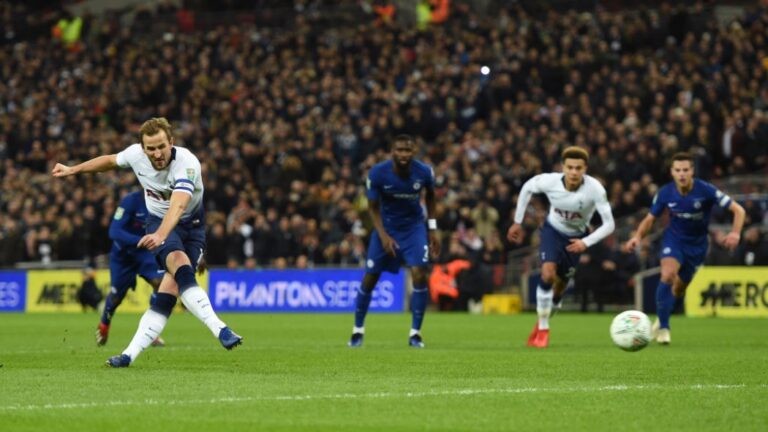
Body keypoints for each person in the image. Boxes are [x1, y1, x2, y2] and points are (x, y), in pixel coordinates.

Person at [52, 117, 242, 367]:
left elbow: (179, 205)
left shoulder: (187, 164)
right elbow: (109, 161)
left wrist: (161, 235)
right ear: (143, 148)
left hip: (191, 226)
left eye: (161, 146)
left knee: (168, 291)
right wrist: (73, 169)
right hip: (158, 222)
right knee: (180, 265)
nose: (157, 153)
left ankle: (128, 355)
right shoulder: (135, 155)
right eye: (151, 148)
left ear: (171, 142)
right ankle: (221, 329)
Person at [623, 152, 745, 345]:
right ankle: (664, 328)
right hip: (674, 240)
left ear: (692, 171)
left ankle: (661, 320)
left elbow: (739, 210)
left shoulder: (706, 190)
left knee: (679, 289)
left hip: (697, 246)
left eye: (685, 170)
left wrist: (735, 233)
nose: (682, 174)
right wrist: (637, 237)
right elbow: (650, 219)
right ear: (672, 172)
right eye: (678, 170)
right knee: (667, 275)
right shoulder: (665, 193)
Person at [507, 146, 615, 348]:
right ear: (562, 167)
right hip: (552, 232)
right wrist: (517, 221)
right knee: (547, 273)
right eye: (570, 167)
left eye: (578, 168)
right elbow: (527, 187)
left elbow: (610, 224)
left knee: (559, 289)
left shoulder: (595, 189)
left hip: (577, 239)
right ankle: (543, 329)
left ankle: (542, 319)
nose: (573, 172)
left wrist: (585, 242)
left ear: (585, 169)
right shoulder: (550, 181)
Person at [348, 134, 441, 348]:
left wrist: (433, 229)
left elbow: (431, 197)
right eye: (399, 150)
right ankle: (357, 330)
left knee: (419, 273)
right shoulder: (377, 173)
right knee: (370, 277)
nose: (403, 154)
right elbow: (372, 208)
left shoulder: (424, 172)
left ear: (414, 151)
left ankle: (415, 334)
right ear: (392, 151)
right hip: (386, 227)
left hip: (413, 228)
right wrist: (383, 236)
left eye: (407, 150)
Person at [96, 190, 165, 347]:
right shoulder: (131, 201)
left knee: (160, 283)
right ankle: (104, 323)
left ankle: (150, 330)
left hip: (144, 254)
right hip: (123, 256)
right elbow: (114, 231)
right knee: (116, 297)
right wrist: (140, 240)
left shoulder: (163, 200)